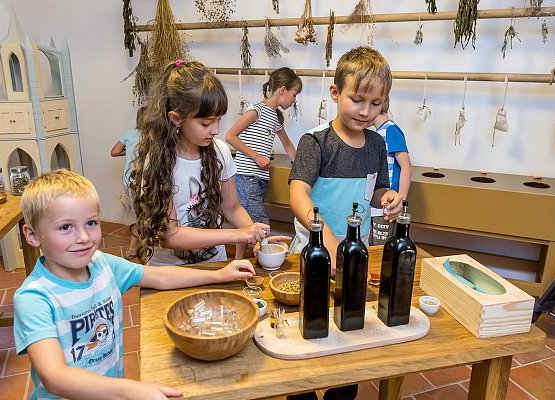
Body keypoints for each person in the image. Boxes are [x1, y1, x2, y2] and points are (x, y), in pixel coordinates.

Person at [13, 169, 256, 400]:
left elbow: (159, 277)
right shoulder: (34, 298)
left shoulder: (103, 265)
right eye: (66, 227)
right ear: (33, 235)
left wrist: (217, 275)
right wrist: (129, 391)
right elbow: (54, 376)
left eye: (91, 223)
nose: (84, 238)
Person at [287, 46, 404, 400]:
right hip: (316, 253)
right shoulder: (316, 142)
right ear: (335, 93)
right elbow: (298, 196)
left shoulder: (376, 146)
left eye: (376, 103)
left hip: (354, 256)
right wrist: (330, 240)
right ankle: (301, 393)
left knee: (351, 326)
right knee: (308, 328)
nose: (366, 111)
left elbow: (374, 190)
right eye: (357, 99)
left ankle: (341, 392)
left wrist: (387, 197)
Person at [131, 60, 288, 266]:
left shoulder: (219, 151)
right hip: (170, 272)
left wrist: (258, 237)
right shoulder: (159, 160)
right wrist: (238, 235)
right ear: (176, 118)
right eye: (206, 123)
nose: (215, 130)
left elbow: (232, 208)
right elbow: (170, 236)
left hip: (214, 265)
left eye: (219, 120)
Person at [226, 67, 301, 224]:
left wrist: (301, 167)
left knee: (247, 221)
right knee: (261, 224)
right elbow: (230, 136)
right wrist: (257, 156)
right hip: (246, 176)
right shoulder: (256, 111)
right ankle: (265, 249)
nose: (295, 100)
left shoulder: (276, 117)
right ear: (282, 90)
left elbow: (287, 145)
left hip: (261, 178)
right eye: (294, 94)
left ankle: (242, 250)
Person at [369, 95, 412, 245]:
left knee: (383, 247)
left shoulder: (391, 130)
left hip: (388, 203)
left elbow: (406, 166)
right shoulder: (375, 133)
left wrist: (401, 200)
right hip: (376, 202)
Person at [110, 106, 147, 260]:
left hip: (128, 181)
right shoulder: (153, 136)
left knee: (140, 214)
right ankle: (133, 248)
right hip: (142, 180)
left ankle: (135, 248)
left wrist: (130, 151)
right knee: (144, 215)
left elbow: (114, 152)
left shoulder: (131, 133)